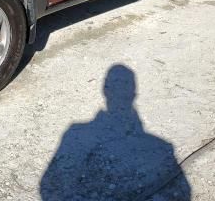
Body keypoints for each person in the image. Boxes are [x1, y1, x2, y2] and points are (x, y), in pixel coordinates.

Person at [40, 65, 191, 200]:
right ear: (134, 94)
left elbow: (46, 185)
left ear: (105, 90)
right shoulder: (162, 146)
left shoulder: (74, 133)